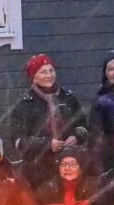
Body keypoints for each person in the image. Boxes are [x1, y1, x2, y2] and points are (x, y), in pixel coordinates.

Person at [10, 53, 88, 188]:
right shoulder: (25, 104)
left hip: (70, 165)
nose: (49, 75)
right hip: (39, 168)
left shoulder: (68, 98)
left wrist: (77, 136)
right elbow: (18, 140)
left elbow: (83, 126)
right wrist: (46, 145)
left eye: (51, 70)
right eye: (43, 72)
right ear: (34, 78)